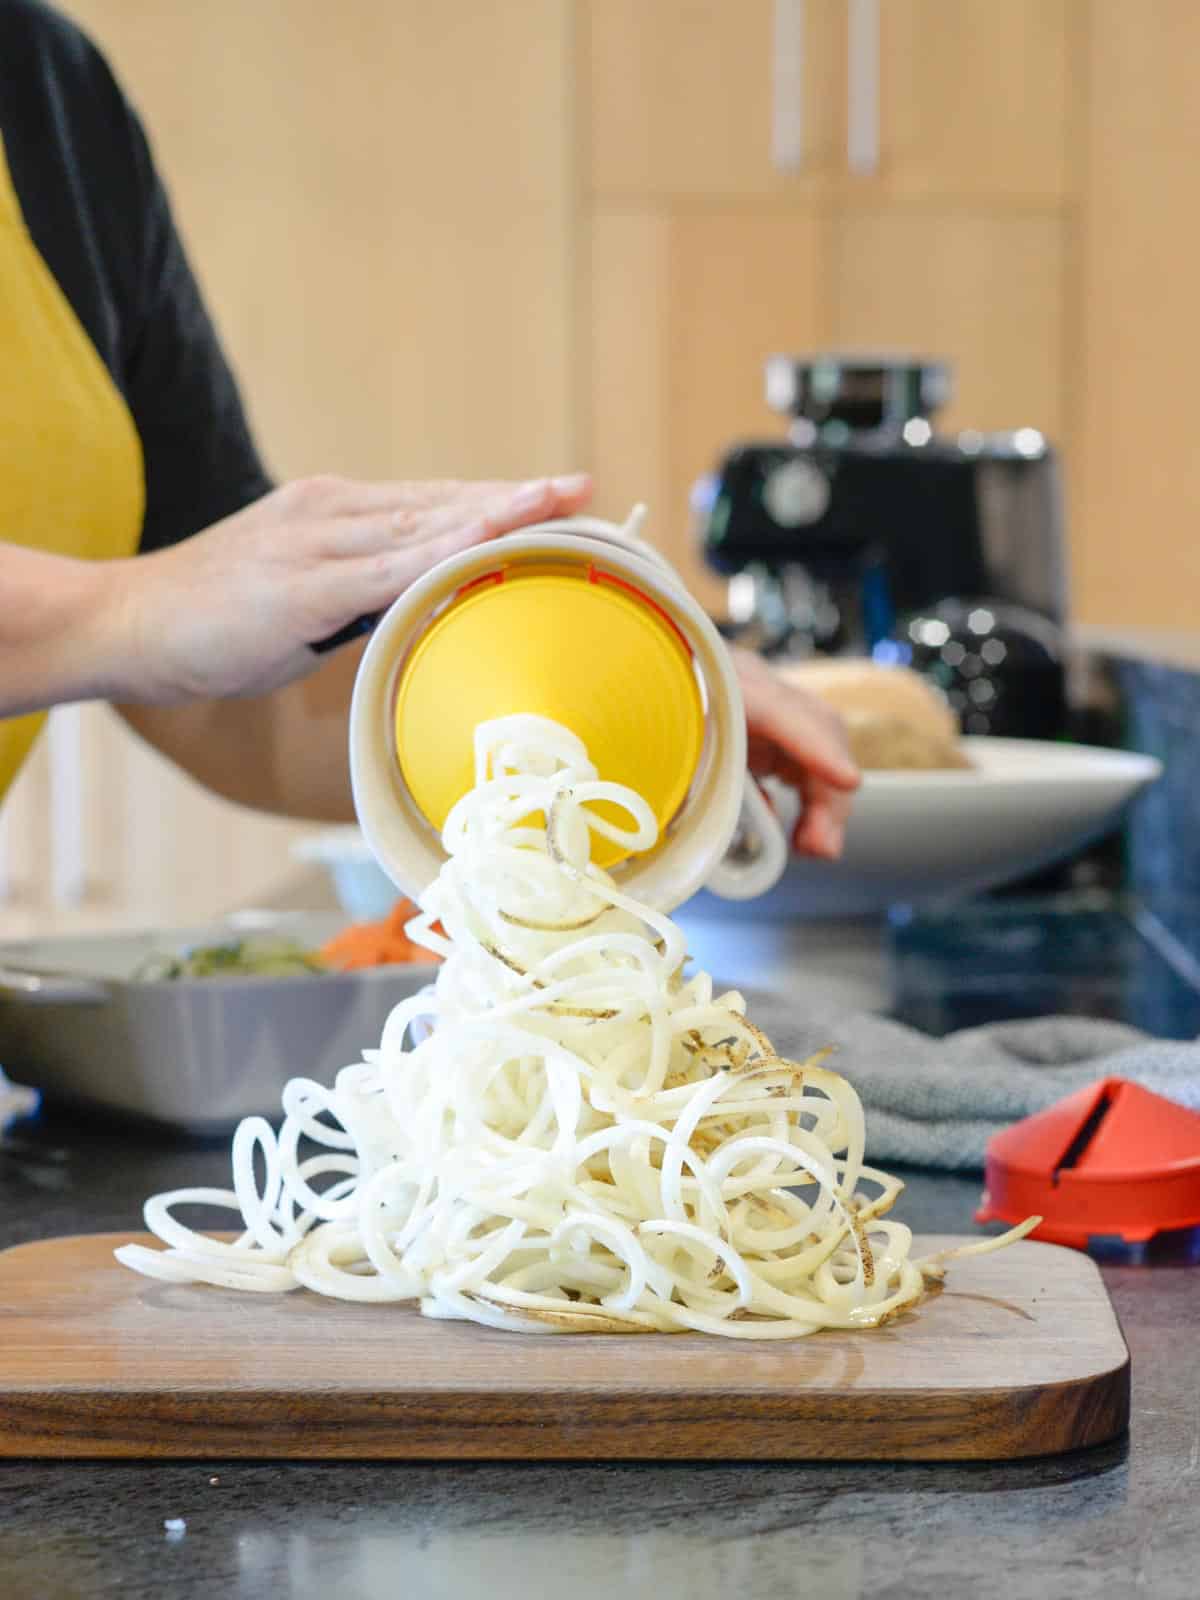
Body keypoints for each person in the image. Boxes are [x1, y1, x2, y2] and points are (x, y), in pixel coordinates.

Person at [0, 0, 858, 860]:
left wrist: (597, 689)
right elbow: (156, 612)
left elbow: (228, 698)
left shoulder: (48, 87)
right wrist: (122, 608)